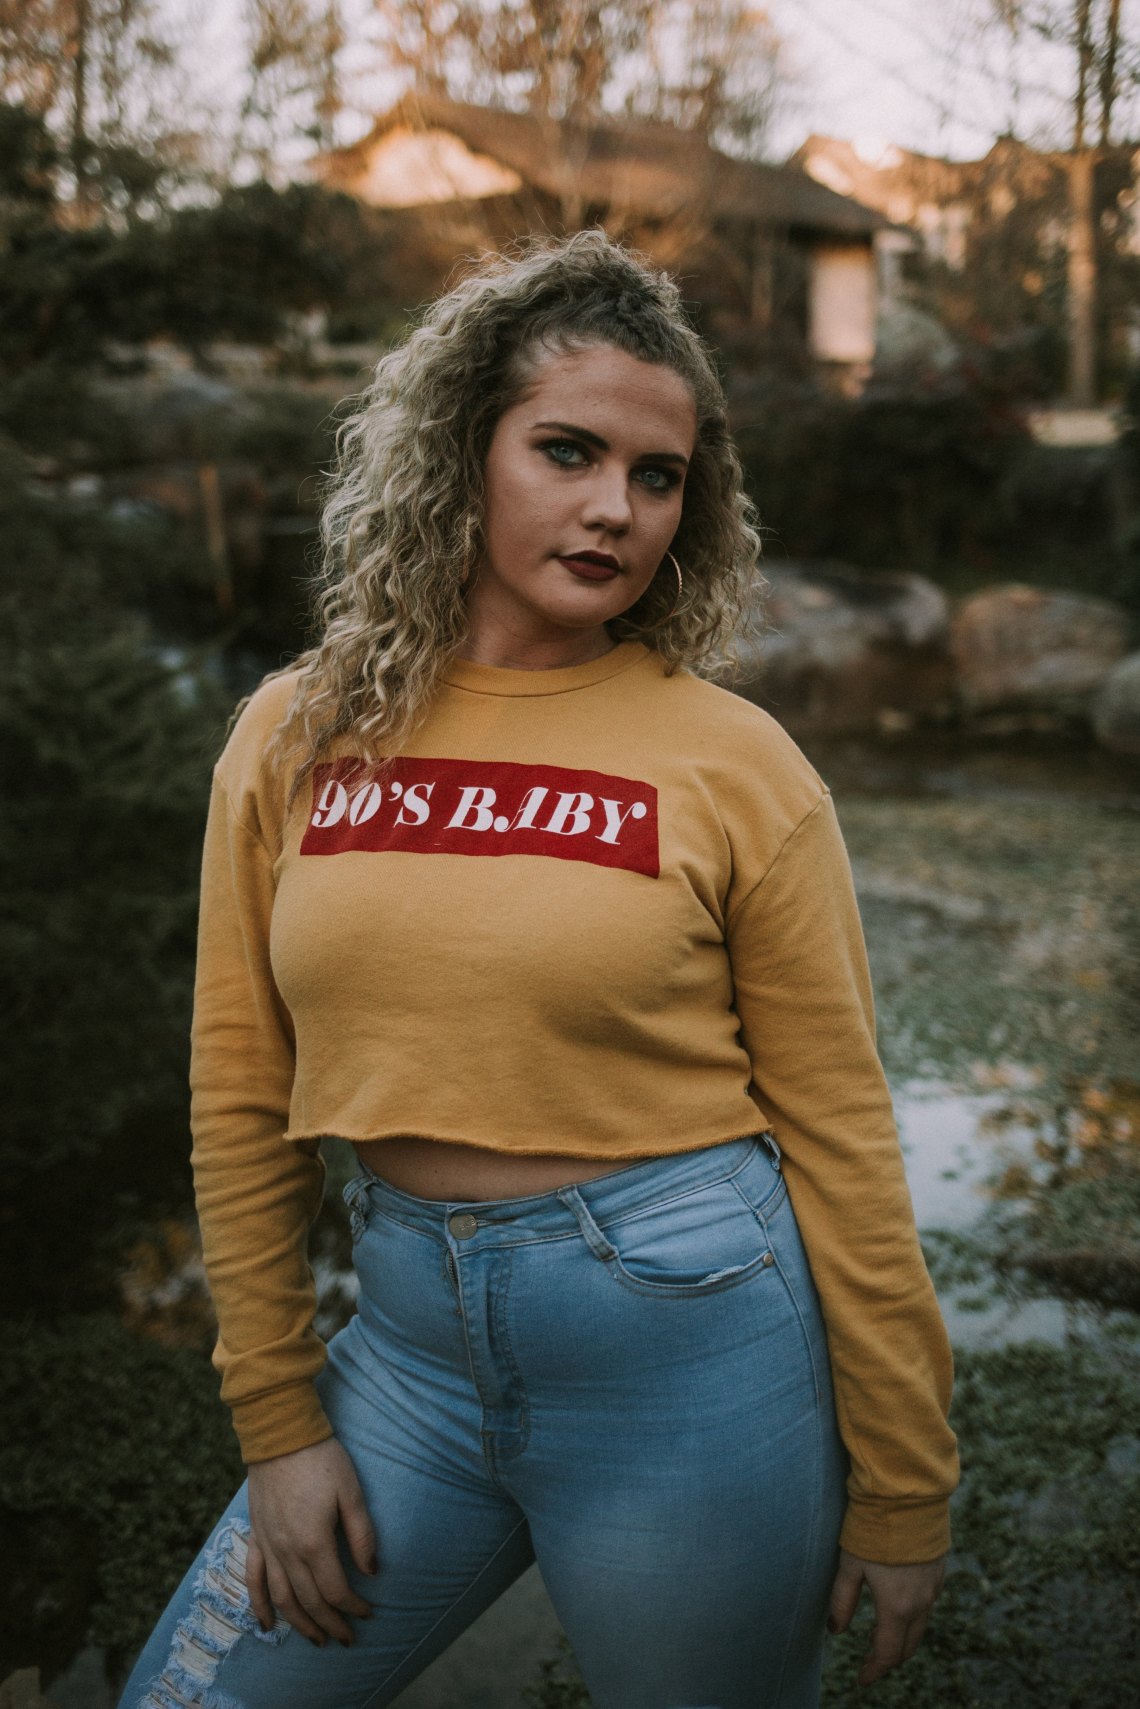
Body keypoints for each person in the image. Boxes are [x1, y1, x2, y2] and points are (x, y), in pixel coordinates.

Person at [118, 230, 959, 1709]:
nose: (613, 507)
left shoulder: (736, 764)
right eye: (566, 450)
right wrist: (278, 1420)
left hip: (693, 1360)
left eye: (657, 475)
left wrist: (904, 1481)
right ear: (462, 451)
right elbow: (241, 1087)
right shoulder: (297, 732)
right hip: (409, 1360)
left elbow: (840, 1129)